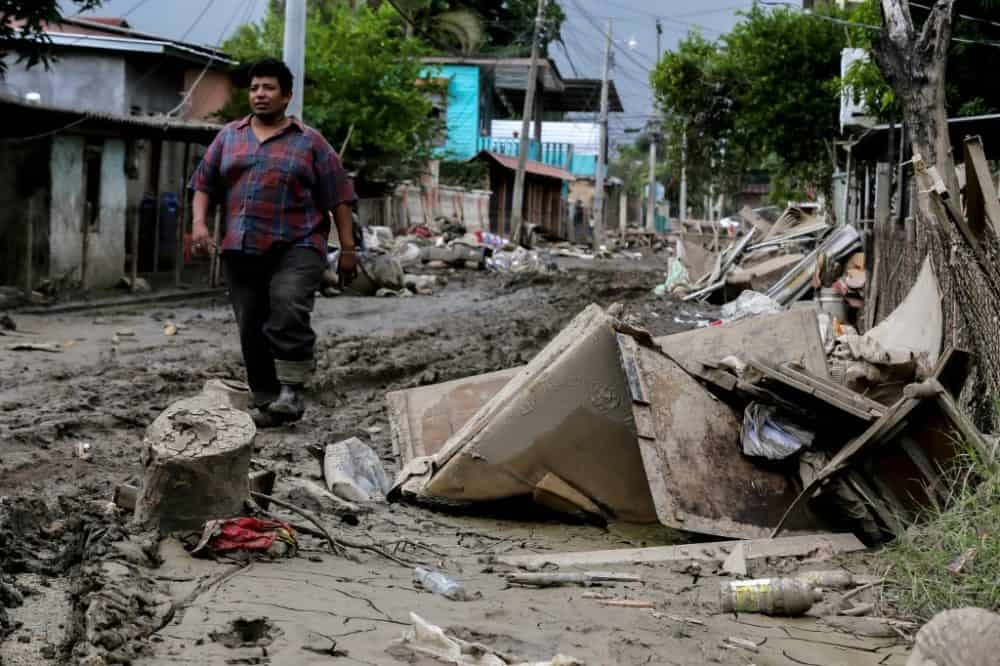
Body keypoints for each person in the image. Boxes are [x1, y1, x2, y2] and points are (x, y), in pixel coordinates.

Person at [188, 58, 356, 427]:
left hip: (298, 245)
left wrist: (347, 250)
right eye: (254, 88)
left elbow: (339, 196)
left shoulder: (310, 143)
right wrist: (199, 225)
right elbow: (203, 184)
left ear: (286, 97)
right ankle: (267, 400)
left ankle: (292, 391)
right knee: (251, 323)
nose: (260, 95)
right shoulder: (228, 137)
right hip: (241, 246)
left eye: (268, 88)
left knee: (287, 306)